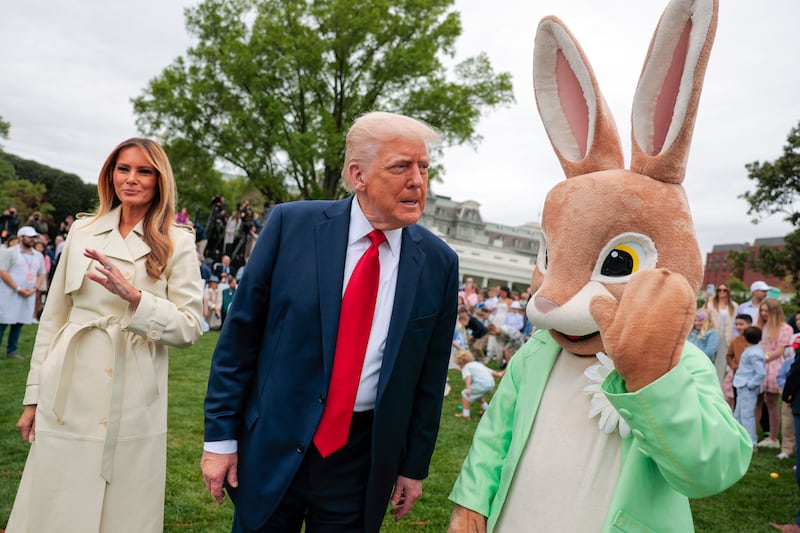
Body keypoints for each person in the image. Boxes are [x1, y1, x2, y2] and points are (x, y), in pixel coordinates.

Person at [201, 111, 459, 532]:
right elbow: (239, 340)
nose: (418, 180)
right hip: (273, 439)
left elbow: (429, 379)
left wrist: (414, 466)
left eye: (424, 167)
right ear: (358, 176)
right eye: (401, 166)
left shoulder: (439, 263)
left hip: (361, 459)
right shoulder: (291, 225)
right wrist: (219, 440)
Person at [6, 137, 204, 532]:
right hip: (69, 386)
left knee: (123, 507)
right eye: (123, 169)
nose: (131, 179)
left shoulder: (177, 241)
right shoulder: (83, 230)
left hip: (134, 393)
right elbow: (53, 319)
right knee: (55, 498)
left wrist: (135, 299)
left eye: (143, 170)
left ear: (159, 179)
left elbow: (191, 326)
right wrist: (33, 398)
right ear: (110, 175)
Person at [0, 226, 46, 359]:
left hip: (28, 295)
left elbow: (42, 273)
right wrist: (18, 288)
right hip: (9, 294)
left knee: (19, 323)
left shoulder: (38, 255)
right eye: (29, 237)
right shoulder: (9, 252)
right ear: (21, 237)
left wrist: (34, 288)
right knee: (3, 322)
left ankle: (11, 351)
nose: (33, 239)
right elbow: (3, 271)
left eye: (34, 237)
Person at [756, 298, 794, 449]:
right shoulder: (759, 325)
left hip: (772, 366)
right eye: (762, 311)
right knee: (756, 402)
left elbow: (779, 351)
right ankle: (751, 434)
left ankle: (773, 437)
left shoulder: (785, 328)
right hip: (756, 366)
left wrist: (761, 358)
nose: (764, 314)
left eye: (767, 311)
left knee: (771, 402)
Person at [733, 326, 767, 446]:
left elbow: (761, 372)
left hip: (747, 387)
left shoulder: (754, 353)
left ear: (745, 338)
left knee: (747, 415)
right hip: (742, 386)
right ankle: (738, 439)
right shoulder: (752, 350)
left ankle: (751, 443)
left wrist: (751, 384)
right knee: (737, 414)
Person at [453, 349, 503, 420]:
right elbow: (489, 371)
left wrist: (468, 388)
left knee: (464, 394)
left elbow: (468, 377)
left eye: (459, 364)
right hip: (490, 384)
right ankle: (486, 410)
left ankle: (465, 414)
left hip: (482, 384)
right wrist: (499, 374)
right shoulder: (476, 364)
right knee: (478, 395)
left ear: (461, 362)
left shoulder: (466, 368)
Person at [704, 283, 738, 382]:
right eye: (719, 290)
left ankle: (718, 383)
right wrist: (706, 300)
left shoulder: (734, 306)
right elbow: (704, 315)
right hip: (713, 333)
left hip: (727, 336)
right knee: (709, 359)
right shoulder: (710, 303)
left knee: (722, 362)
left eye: (724, 290)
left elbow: (735, 323)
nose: (722, 292)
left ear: (728, 292)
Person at [723, 314, 754, 410]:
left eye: (741, 324)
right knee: (737, 401)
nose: (738, 327)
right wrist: (734, 366)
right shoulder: (735, 341)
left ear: (749, 324)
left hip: (750, 377)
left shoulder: (754, 340)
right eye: (736, 324)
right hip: (737, 376)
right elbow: (729, 356)